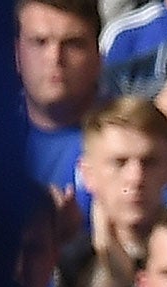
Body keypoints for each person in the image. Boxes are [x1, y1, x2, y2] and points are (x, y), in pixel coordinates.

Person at [64, 98, 167, 287]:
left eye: (149, 162)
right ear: (88, 174)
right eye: (119, 162)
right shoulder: (66, 263)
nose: (135, 178)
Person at [19, 0, 103, 199]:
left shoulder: (132, 146)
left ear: (99, 57)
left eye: (73, 44)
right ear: (16, 55)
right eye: (40, 42)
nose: (55, 57)